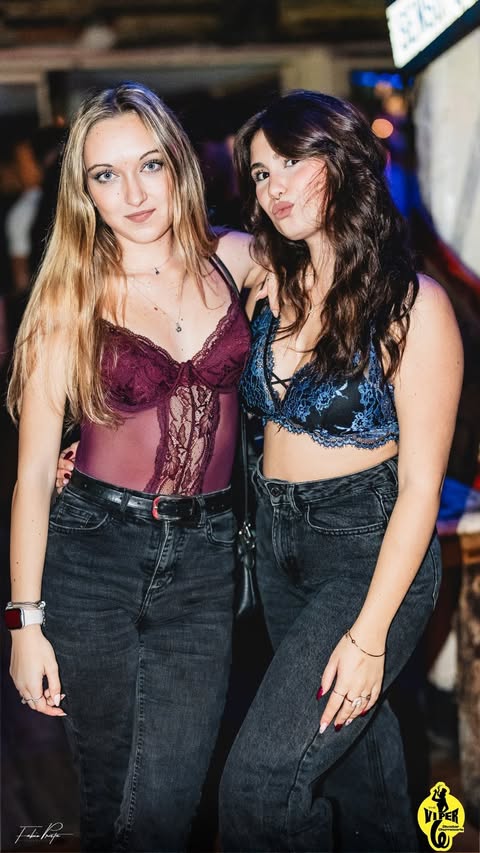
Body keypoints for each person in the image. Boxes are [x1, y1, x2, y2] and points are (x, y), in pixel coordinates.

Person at [5, 82, 271, 853]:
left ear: (178, 164)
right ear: (83, 192)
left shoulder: (235, 258)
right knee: (110, 788)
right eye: (106, 174)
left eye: (149, 164)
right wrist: (24, 622)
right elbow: (31, 476)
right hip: (93, 554)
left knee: (169, 799)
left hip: (206, 562)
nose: (133, 193)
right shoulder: (70, 296)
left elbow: (334, 278)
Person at [218, 91, 463, 852]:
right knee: (359, 767)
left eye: (292, 162)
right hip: (278, 549)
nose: (274, 187)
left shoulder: (413, 306)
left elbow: (420, 489)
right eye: (261, 174)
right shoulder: (267, 280)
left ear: (344, 160)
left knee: (260, 785)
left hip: (368, 555)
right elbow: (170, 251)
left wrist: (369, 634)